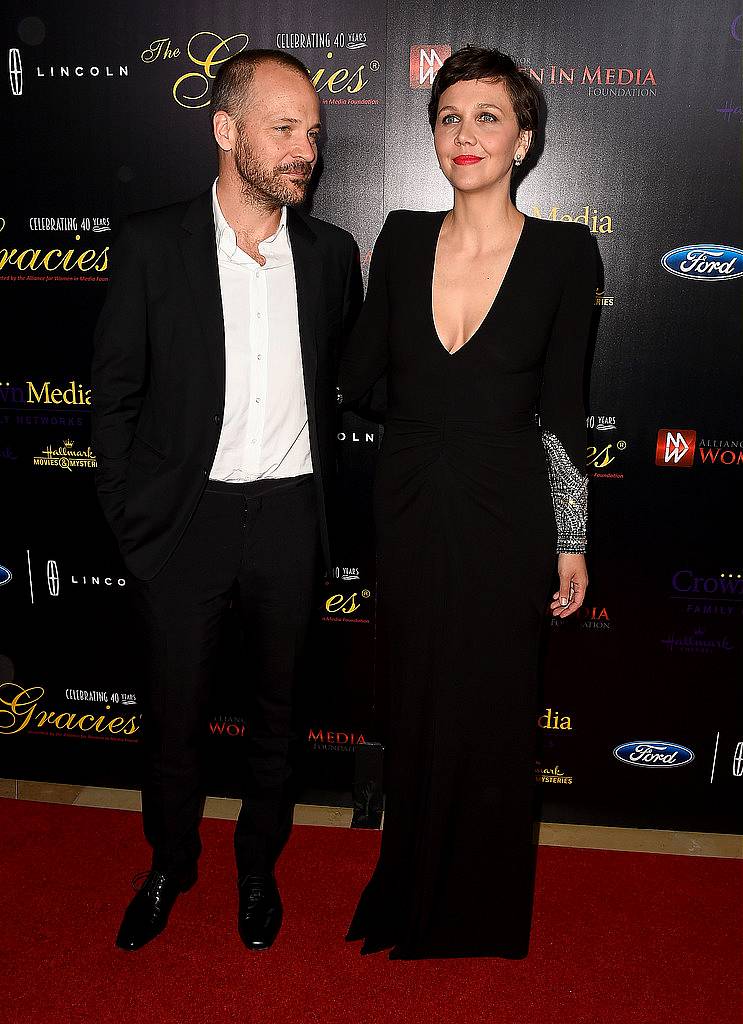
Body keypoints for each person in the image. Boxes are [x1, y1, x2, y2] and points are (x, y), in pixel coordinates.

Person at [91, 49, 361, 953]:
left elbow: (346, 393)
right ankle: (170, 863)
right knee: (172, 718)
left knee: (278, 720)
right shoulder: (151, 243)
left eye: (313, 133)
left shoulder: (329, 257)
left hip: (289, 520)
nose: (305, 150)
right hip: (183, 524)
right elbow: (114, 398)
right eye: (284, 129)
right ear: (225, 130)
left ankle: (257, 871)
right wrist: (140, 527)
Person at [339, 46, 597, 959]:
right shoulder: (402, 236)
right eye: (449, 116)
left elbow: (563, 409)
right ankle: (407, 887)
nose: (465, 134)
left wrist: (570, 537)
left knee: (490, 706)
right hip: (408, 495)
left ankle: (478, 910)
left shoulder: (566, 250)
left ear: (523, 139)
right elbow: (359, 376)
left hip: (507, 501)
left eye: (488, 116)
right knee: (413, 698)